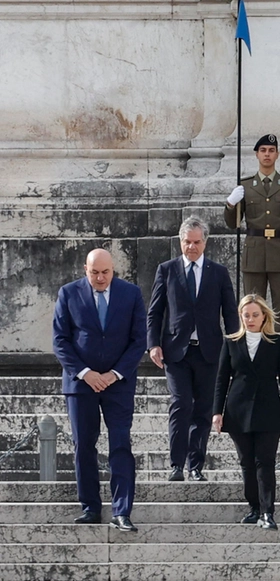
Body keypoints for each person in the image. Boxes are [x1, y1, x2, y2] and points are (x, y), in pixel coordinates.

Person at [52, 249, 146, 532]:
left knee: (120, 444)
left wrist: (114, 374)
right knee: (83, 446)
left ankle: (121, 511)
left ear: (113, 269)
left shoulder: (131, 294)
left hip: (118, 384)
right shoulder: (68, 294)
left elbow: (138, 339)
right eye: (95, 273)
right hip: (81, 384)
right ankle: (91, 507)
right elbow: (60, 340)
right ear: (85, 270)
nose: (101, 278)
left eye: (106, 272)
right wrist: (86, 373)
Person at [147, 216, 239, 482]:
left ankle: (195, 466)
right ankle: (176, 464)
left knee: (203, 410)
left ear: (205, 243)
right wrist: (153, 344)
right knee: (181, 404)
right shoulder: (166, 270)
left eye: (197, 242)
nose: (192, 247)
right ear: (180, 241)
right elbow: (155, 312)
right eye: (187, 242)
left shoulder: (218, 272)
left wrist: (235, 348)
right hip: (176, 351)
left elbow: (231, 314)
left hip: (210, 352)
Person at [224, 133, 280, 368]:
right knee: (252, 306)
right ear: (257, 154)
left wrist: (278, 231)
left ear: (277, 154)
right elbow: (233, 223)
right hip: (254, 251)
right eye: (263, 150)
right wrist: (230, 204)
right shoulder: (246, 185)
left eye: (271, 150)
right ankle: (250, 352)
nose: (267, 154)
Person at [212, 295, 280, 530]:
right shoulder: (230, 342)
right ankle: (254, 508)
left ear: (264, 316)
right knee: (246, 462)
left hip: (268, 409)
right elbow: (221, 379)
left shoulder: (276, 342)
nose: (250, 319)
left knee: (265, 462)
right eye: (246, 315)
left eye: (255, 315)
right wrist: (217, 412)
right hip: (237, 410)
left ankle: (268, 512)